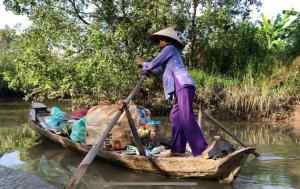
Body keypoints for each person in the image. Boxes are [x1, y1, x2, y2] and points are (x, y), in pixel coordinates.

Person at [136, 27, 208, 156]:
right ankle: (178, 149)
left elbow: (153, 64)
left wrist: (144, 63)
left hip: (183, 84)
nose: (158, 44)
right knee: (175, 116)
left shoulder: (169, 49)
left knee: (186, 116)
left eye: (159, 41)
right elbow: (157, 70)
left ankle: (201, 148)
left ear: (165, 40)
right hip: (177, 88)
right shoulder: (169, 55)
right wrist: (146, 69)